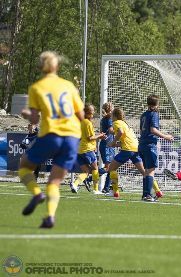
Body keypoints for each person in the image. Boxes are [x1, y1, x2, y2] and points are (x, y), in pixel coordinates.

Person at [19, 51, 84, 228]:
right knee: (55, 181)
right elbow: (81, 115)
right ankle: (49, 216)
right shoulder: (69, 85)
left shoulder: (36, 87)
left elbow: (33, 120)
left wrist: (26, 113)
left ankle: (36, 193)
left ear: (40, 67)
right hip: (71, 137)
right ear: (57, 66)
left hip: (51, 134)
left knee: (24, 165)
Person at [107, 108, 148, 199]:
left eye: (112, 116)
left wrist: (113, 142)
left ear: (115, 116)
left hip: (127, 150)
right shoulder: (126, 124)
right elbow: (126, 140)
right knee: (145, 172)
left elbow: (120, 132)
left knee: (111, 168)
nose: (111, 118)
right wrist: (116, 144)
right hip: (135, 148)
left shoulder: (116, 122)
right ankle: (157, 191)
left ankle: (115, 191)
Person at [139, 95, 173, 200]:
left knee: (146, 171)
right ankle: (148, 195)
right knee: (151, 170)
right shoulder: (154, 114)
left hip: (142, 145)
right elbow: (153, 130)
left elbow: (141, 131)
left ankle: (145, 194)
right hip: (150, 145)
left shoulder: (143, 115)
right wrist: (166, 136)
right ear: (157, 104)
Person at [70, 104, 106, 194]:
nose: (93, 112)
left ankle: (75, 184)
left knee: (86, 171)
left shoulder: (82, 122)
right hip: (87, 149)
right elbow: (90, 138)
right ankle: (96, 189)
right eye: (93, 110)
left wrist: (98, 136)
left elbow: (87, 136)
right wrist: (101, 135)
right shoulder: (88, 123)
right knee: (95, 168)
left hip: (79, 150)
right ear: (89, 112)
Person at [99, 102, 115, 193]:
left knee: (112, 167)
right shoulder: (109, 119)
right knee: (108, 167)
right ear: (110, 110)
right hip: (106, 146)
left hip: (108, 145)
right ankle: (90, 179)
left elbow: (102, 132)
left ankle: (106, 188)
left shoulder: (104, 119)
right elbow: (111, 131)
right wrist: (121, 131)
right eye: (113, 109)